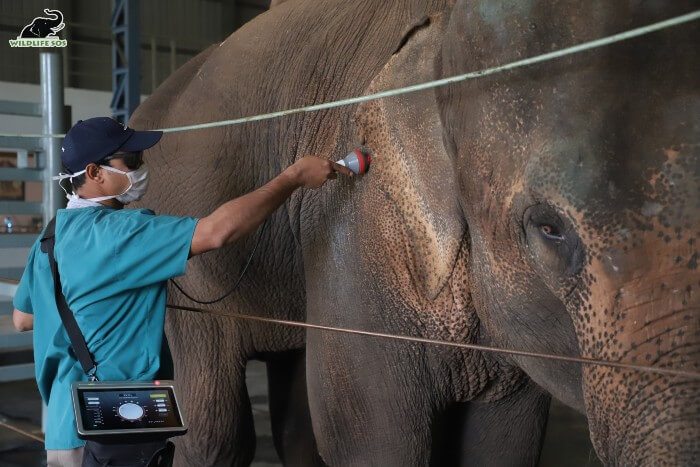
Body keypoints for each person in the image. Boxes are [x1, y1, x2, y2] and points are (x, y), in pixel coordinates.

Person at [12, 116, 353, 466]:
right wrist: (293, 178)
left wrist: (97, 303)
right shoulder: (120, 233)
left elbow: (23, 318)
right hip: (111, 430)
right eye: (130, 161)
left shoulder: (50, 238)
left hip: (63, 427)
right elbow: (217, 232)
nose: (141, 166)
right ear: (94, 172)